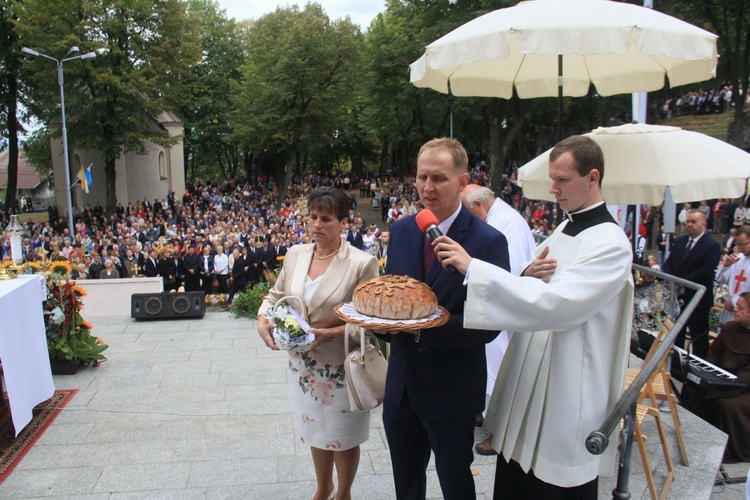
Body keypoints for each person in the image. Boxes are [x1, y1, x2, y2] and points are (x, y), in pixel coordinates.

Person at [434, 135, 633, 498]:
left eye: (562, 179)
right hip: (534, 379)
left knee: (551, 485)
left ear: (592, 177)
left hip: (567, 384)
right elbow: (535, 280)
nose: (553, 189)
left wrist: (473, 268)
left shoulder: (611, 243)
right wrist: (523, 275)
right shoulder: (564, 227)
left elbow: (559, 303)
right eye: (552, 178)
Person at [379, 138, 510, 499]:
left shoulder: (487, 242)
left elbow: (490, 323)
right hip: (402, 387)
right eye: (422, 177)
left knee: (456, 485)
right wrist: (380, 323)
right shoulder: (404, 230)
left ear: (463, 181)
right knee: (406, 486)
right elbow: (395, 299)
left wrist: (428, 327)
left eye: (438, 178)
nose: (427, 187)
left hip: (452, 391)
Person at [257, 187, 378, 500]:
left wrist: (332, 333)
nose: (317, 224)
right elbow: (275, 295)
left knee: (343, 437)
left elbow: (368, 321)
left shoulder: (362, 263)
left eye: (326, 218)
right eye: (313, 217)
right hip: (303, 366)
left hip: (341, 366)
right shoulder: (296, 254)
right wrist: (262, 318)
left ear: (343, 223)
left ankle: (344, 493)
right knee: (315, 430)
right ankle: (323, 488)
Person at [460, 184, 535, 456]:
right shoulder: (499, 217)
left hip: (505, 309)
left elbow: (508, 272)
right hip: (494, 305)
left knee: (501, 369)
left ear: (478, 206)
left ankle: (500, 432)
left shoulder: (508, 225)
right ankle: (488, 414)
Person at [686, 291, 750, 462]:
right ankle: (698, 434)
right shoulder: (730, 328)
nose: (735, 309)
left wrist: (724, 385)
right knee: (693, 389)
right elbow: (713, 354)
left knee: (728, 405)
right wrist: (710, 375)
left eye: (741, 308)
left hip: (744, 388)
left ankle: (730, 448)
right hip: (721, 379)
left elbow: (747, 377)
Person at [663, 209, 722, 359]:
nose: (689, 225)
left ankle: (697, 371)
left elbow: (706, 271)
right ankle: (676, 364)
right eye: (687, 222)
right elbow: (669, 263)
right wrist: (672, 279)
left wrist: (682, 282)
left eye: (693, 222)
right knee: (677, 335)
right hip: (678, 297)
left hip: (697, 301)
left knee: (698, 338)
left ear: (703, 224)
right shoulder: (680, 241)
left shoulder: (712, 246)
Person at [715, 225, 750, 326]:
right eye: (738, 244)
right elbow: (721, 279)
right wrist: (727, 265)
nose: (739, 248)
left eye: (742, 244)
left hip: (745, 311)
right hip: (730, 309)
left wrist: (734, 302)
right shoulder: (738, 258)